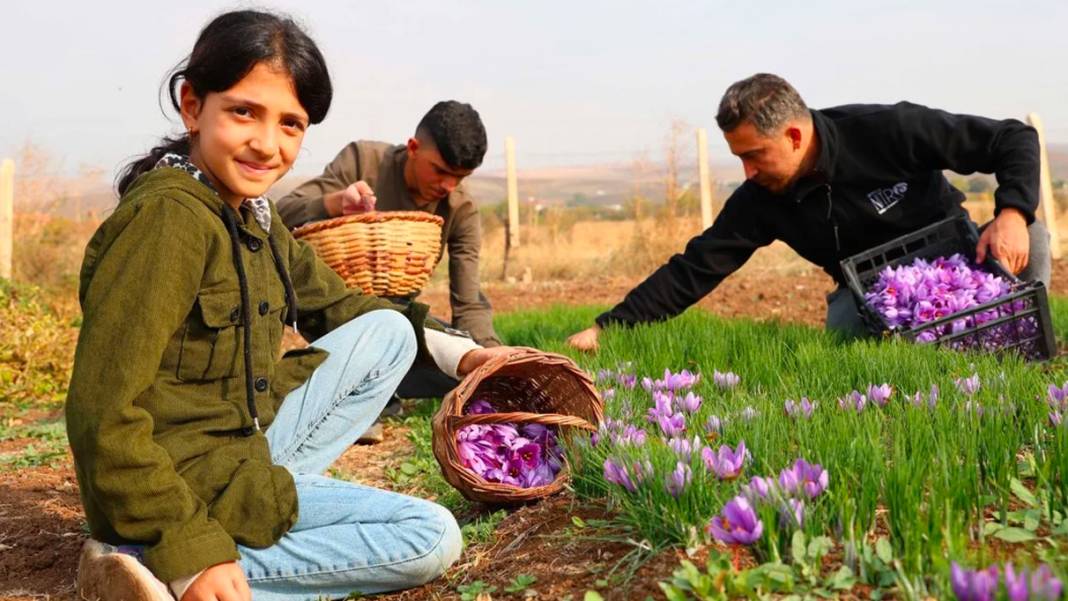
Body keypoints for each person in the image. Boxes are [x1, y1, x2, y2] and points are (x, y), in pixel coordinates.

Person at [68, 10, 512, 601]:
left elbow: (343, 306)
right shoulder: (169, 220)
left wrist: (468, 358)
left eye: (291, 124)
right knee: (429, 536)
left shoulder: (253, 215)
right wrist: (190, 551)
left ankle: (171, 554)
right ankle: (155, 563)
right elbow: (102, 411)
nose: (267, 144)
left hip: (235, 448)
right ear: (193, 106)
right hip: (174, 477)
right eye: (244, 112)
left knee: (388, 331)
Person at [567, 73, 1051, 352]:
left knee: (1035, 234)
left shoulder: (885, 130)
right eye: (738, 157)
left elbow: (1012, 138)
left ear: (794, 136)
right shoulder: (762, 198)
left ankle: (1019, 342)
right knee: (844, 342)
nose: (747, 170)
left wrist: (1010, 211)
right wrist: (608, 328)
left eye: (754, 154)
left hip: (955, 262)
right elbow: (696, 267)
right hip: (870, 295)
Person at [277, 101, 500, 401]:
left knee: (465, 367)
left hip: (400, 322)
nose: (448, 185)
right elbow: (281, 214)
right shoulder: (362, 161)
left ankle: (369, 390)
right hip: (335, 315)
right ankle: (362, 389)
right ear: (413, 147)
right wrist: (335, 203)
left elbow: (469, 300)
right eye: (440, 171)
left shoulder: (461, 208)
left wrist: (487, 354)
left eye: (459, 177)